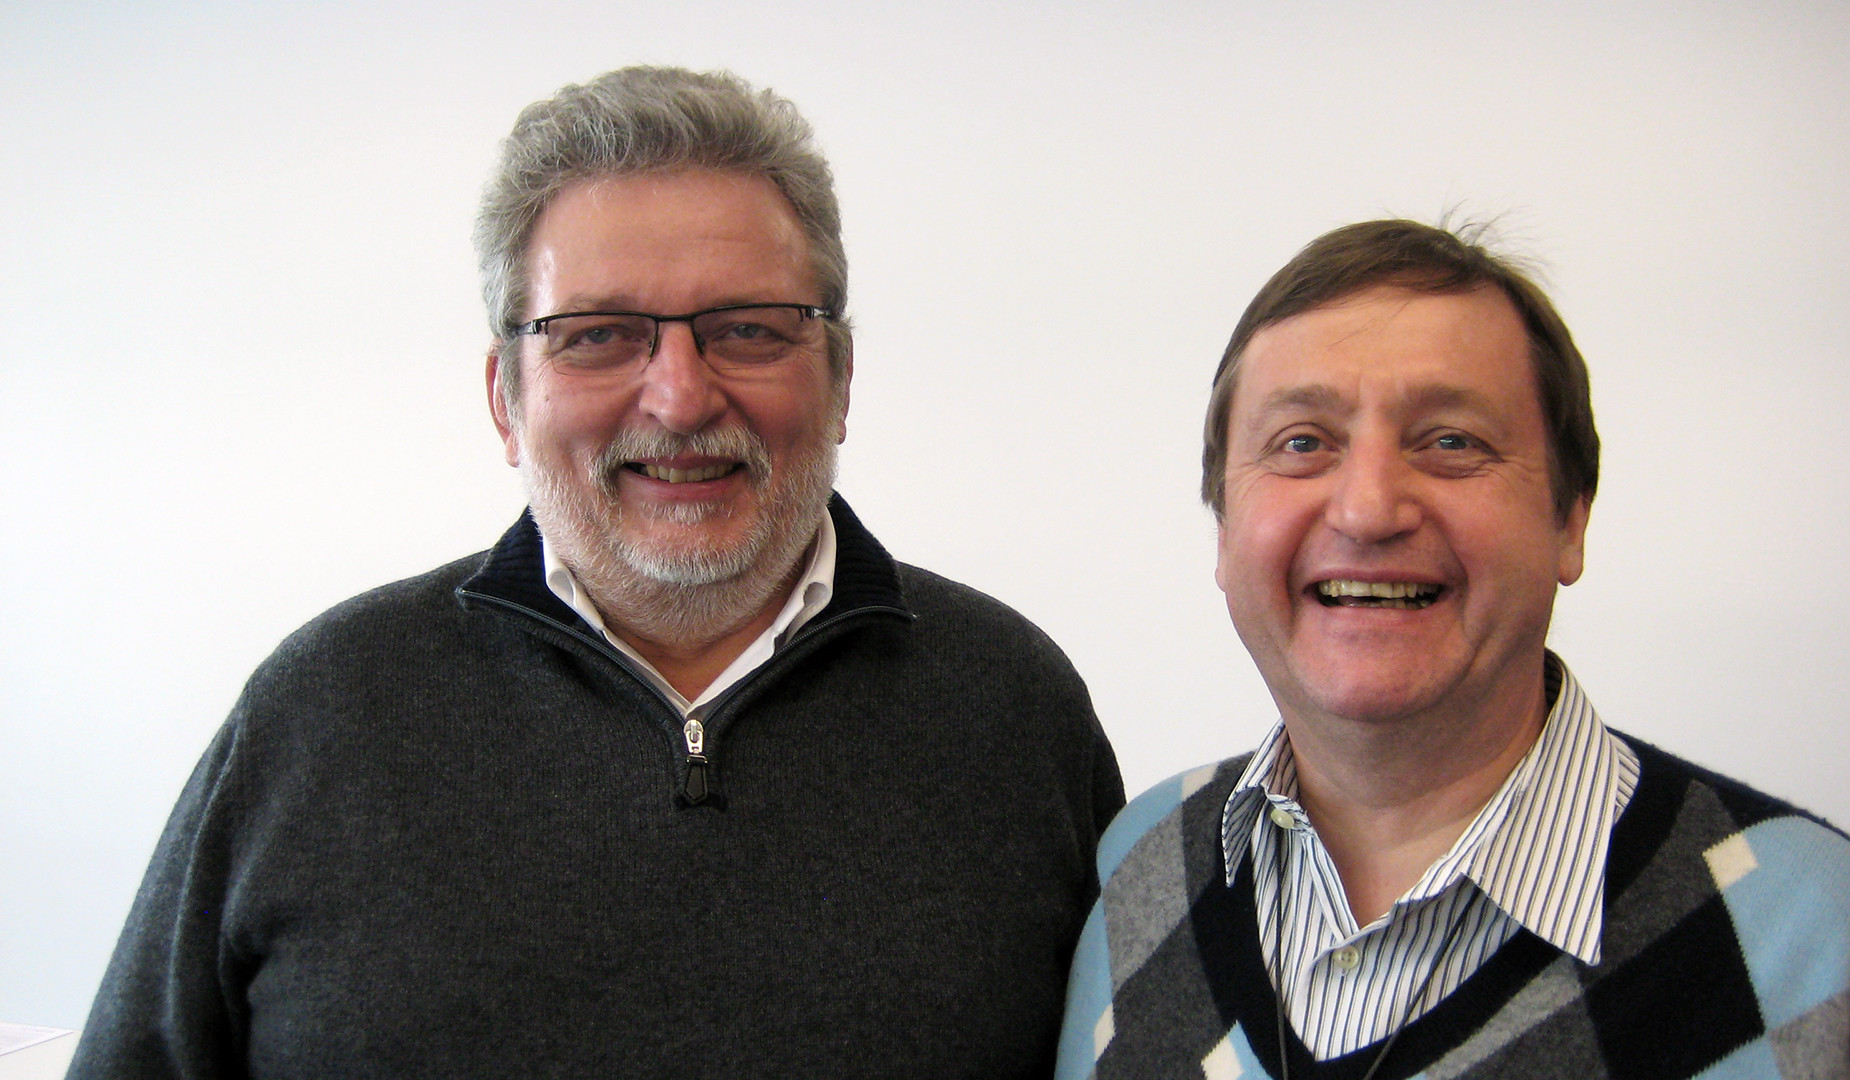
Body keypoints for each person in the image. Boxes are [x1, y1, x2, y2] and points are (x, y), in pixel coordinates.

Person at [71, 66, 1124, 1079]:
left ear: (841, 377)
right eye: (598, 336)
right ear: (505, 398)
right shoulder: (319, 710)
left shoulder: (1017, 710)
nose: (678, 398)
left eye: (748, 330)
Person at [1057, 220, 1850, 1079]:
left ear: (1571, 519)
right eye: (1303, 443)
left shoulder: (1820, 932)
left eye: (1451, 442)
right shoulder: (1139, 872)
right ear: (1223, 526)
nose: (1367, 509)